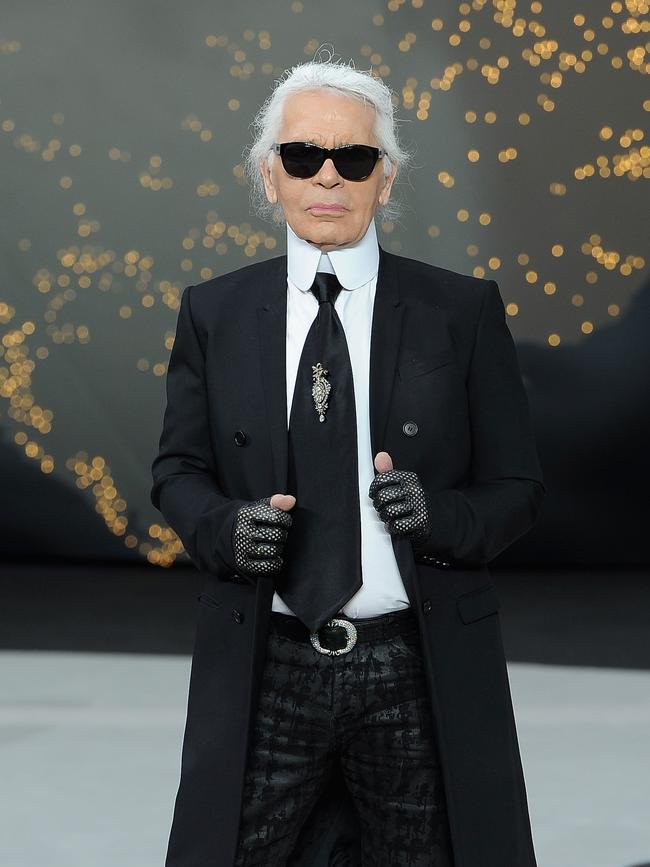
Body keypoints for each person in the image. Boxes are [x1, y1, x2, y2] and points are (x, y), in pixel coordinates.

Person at [150, 55, 546, 867]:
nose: (327, 177)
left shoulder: (462, 311)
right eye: (303, 156)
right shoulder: (214, 312)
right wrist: (227, 529)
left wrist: (437, 514)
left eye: (354, 158)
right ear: (271, 175)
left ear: (385, 179)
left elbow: (518, 489)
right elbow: (176, 472)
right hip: (267, 663)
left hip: (416, 666)